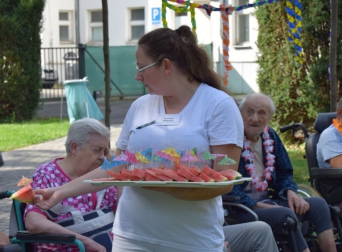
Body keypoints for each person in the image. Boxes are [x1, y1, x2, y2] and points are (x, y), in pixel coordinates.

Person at [32, 25, 278, 252]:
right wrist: (61, 192)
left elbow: (224, 177)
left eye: (142, 67)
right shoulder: (139, 107)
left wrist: (166, 186)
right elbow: (116, 168)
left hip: (191, 241)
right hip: (131, 238)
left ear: (166, 66)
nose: (137, 75)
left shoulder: (219, 106)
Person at [228, 93, 337, 252]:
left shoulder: (270, 136)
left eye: (262, 113)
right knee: (286, 215)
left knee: (319, 205)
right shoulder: (232, 139)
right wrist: (258, 206)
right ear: (240, 113)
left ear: (269, 117)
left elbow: (284, 171)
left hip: (268, 201)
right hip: (239, 208)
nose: (255, 118)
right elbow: (230, 184)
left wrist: (291, 192)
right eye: (249, 112)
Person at [24, 118, 116, 252]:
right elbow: (34, 222)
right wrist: (84, 241)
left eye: (105, 151)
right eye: (97, 150)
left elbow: (123, 211)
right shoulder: (47, 174)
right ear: (74, 148)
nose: (102, 157)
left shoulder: (101, 175)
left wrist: (114, 168)